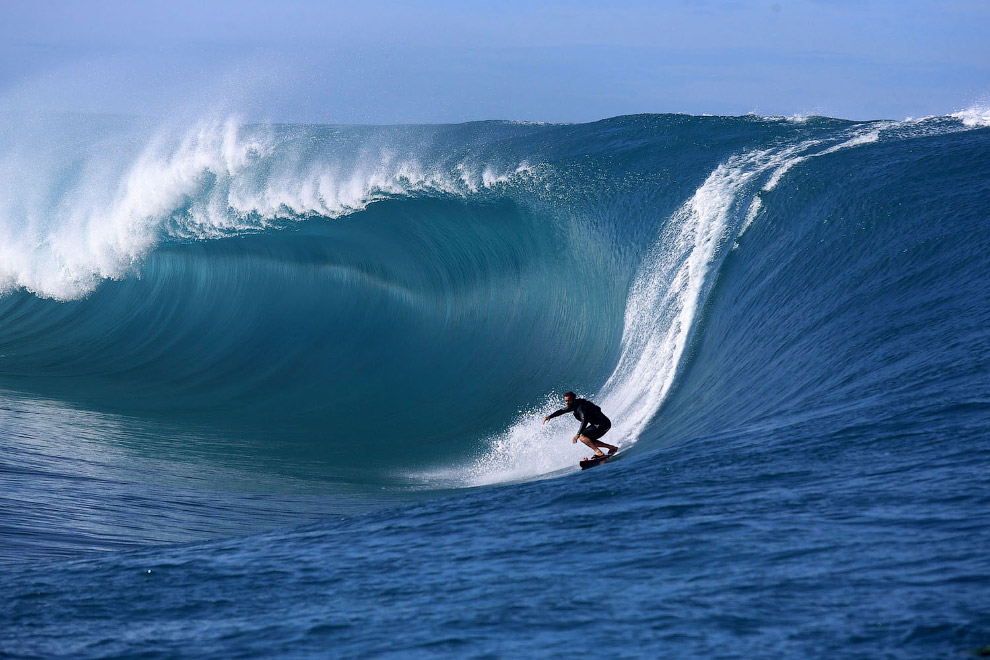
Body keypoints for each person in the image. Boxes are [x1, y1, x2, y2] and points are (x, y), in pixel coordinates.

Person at [542, 391, 617, 458]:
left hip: (602, 424)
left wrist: (578, 434)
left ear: (573, 400)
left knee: (582, 437)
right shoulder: (574, 405)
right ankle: (611, 448)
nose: (567, 403)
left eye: (569, 401)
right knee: (588, 439)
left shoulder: (580, 407)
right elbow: (562, 411)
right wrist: (550, 416)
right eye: (566, 401)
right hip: (602, 423)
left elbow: (585, 420)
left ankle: (599, 452)